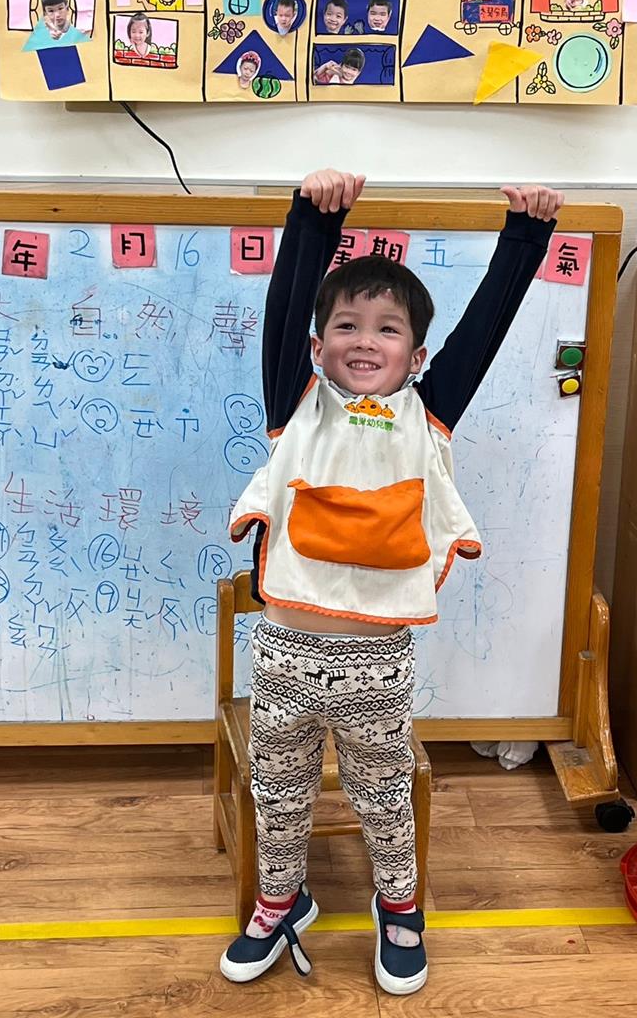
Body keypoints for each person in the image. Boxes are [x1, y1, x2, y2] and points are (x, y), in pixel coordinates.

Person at [220, 169, 563, 994]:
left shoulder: (430, 415)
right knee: (278, 792)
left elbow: (485, 327)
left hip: (378, 665)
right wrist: (314, 219)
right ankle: (280, 901)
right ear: (316, 347)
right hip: (283, 655)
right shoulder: (294, 407)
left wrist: (525, 235)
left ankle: (399, 907)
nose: (364, 340)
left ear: (417, 355)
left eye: (387, 328)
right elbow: (286, 306)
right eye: (345, 324)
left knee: (384, 795)